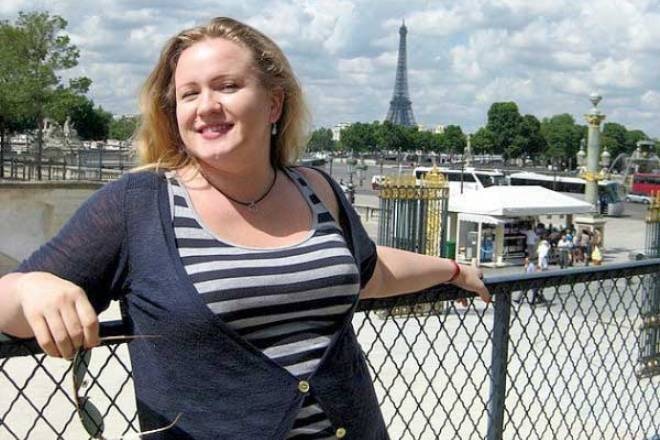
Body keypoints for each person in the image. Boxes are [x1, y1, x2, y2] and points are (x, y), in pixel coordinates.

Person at [0, 17, 489, 440]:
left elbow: (370, 272)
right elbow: (9, 301)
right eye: (189, 93)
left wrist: (450, 269)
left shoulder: (317, 187)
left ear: (274, 104)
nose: (206, 105)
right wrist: (33, 287)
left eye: (227, 86)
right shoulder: (137, 205)